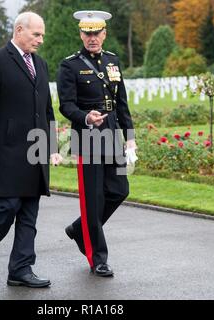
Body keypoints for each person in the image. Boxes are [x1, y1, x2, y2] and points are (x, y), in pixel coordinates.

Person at [0, 11, 62, 288]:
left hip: (35, 153)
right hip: (6, 151)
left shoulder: (41, 64)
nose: (41, 40)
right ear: (19, 30)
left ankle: (20, 269)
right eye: (36, 34)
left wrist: (52, 147)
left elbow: (47, 110)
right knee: (6, 206)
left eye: (42, 35)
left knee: (29, 214)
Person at [57, 10, 137, 277]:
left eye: (97, 33)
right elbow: (66, 105)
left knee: (119, 190)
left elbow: (121, 103)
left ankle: (80, 229)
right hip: (88, 138)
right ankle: (97, 258)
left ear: (104, 33)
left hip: (112, 135)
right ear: (81, 34)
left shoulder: (113, 61)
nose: (92, 38)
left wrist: (131, 140)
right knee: (94, 200)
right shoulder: (69, 65)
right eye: (87, 33)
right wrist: (85, 117)